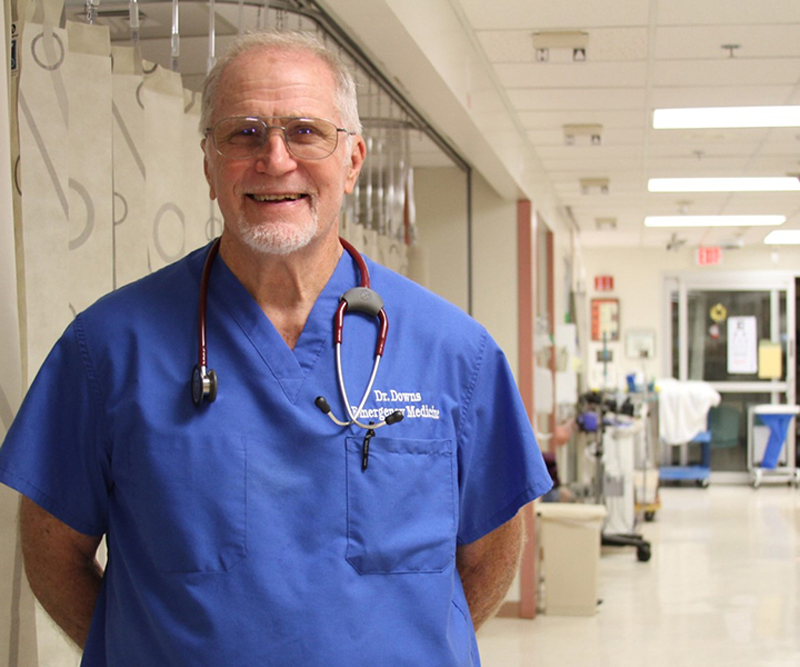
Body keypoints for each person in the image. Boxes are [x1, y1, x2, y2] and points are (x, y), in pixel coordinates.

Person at [0, 30, 551, 666]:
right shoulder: (108, 349)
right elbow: (53, 549)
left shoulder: (455, 353)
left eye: (306, 131)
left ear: (353, 161)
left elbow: (493, 548)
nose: (275, 159)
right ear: (208, 165)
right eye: (244, 134)